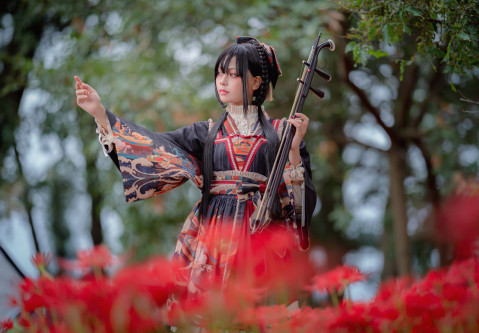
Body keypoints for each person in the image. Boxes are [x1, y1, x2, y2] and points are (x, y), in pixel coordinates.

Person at [74, 36, 316, 299]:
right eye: (219, 73)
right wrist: (101, 114)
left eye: (232, 74)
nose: (221, 81)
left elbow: (300, 215)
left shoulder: (283, 134)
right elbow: (152, 147)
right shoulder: (206, 133)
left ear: (257, 82)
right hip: (212, 241)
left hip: (261, 242)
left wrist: (293, 152)